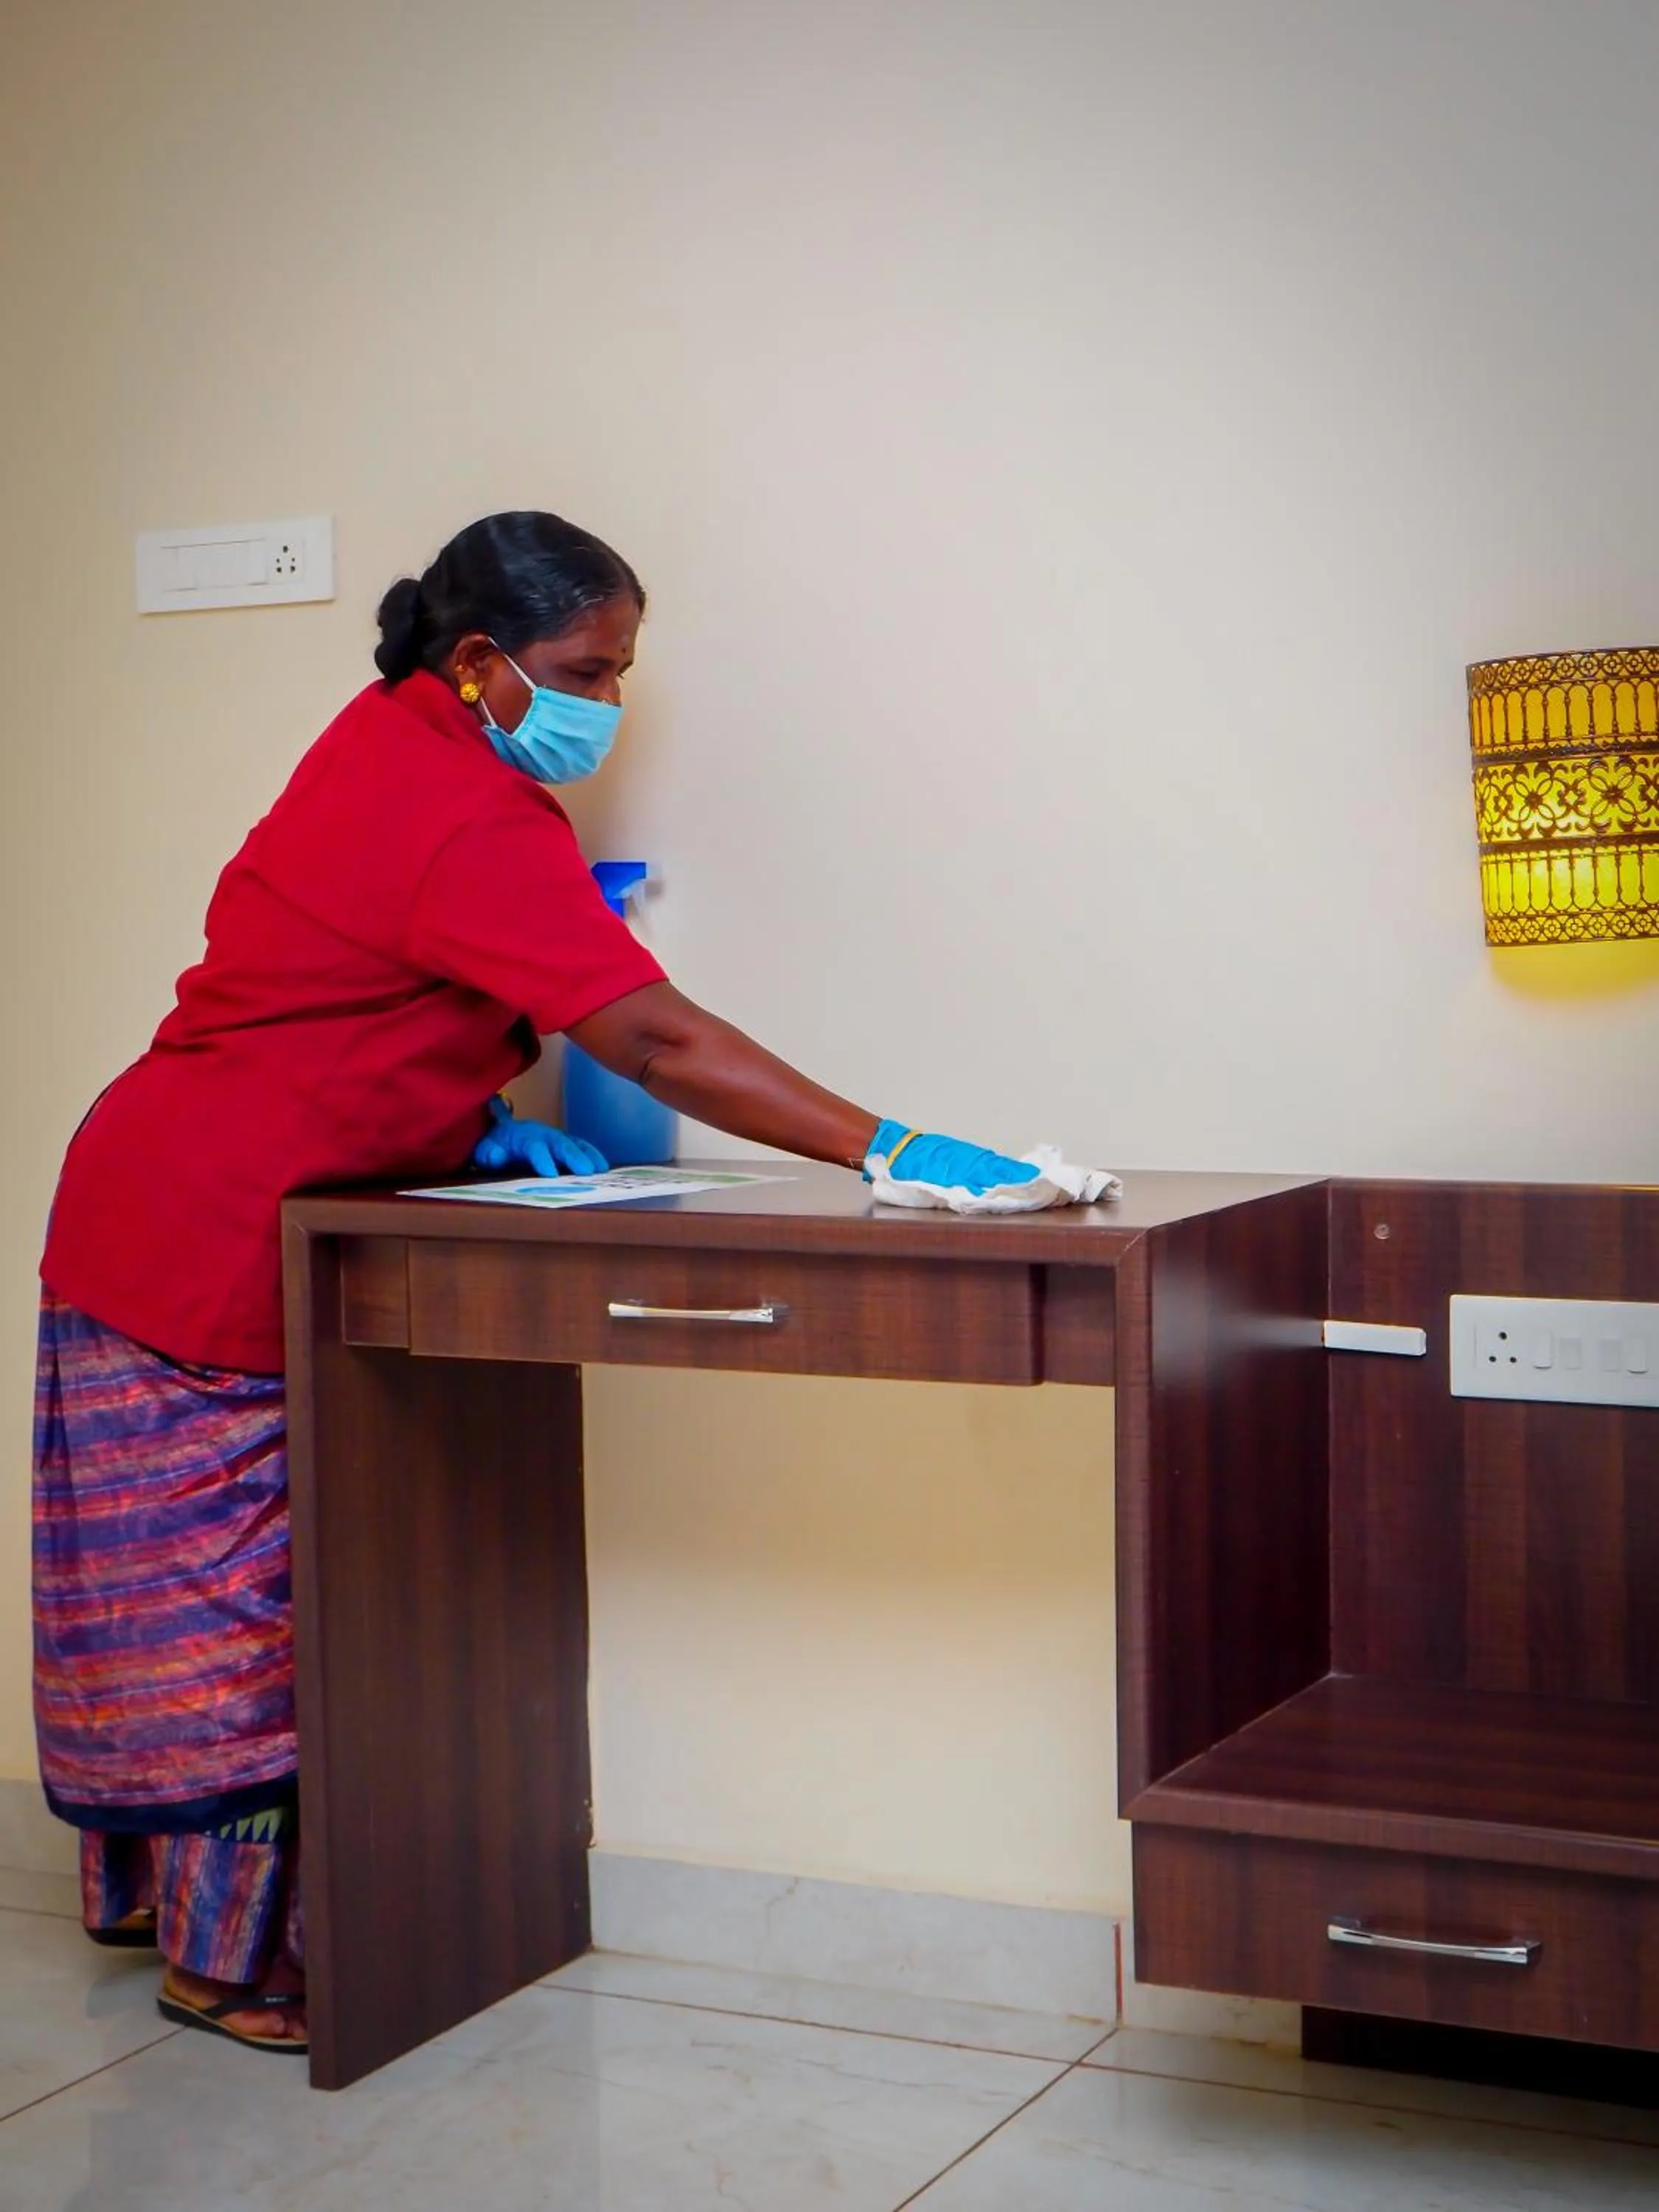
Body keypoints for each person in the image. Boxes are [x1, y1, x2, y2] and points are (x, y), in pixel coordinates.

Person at [32, 509, 1039, 2053]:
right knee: (242, 1618)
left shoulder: (389, 745)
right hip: (199, 1233)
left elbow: (340, 985)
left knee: (264, 1595)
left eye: (626, 672)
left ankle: (200, 1920)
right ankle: (224, 1963)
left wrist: (480, 1120)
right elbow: (655, 1037)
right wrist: (888, 1144)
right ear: (484, 661)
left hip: (206, 1197)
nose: (609, 705)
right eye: (590, 670)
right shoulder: (462, 808)